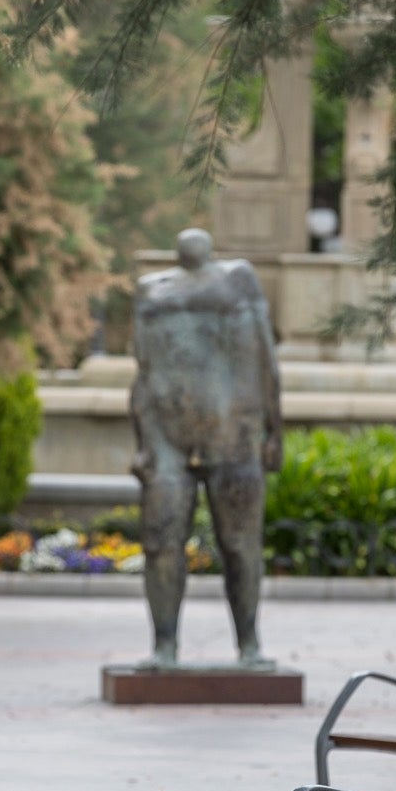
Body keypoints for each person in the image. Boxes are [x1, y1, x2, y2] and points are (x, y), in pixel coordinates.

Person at [130, 228, 283, 669]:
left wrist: (274, 431)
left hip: (232, 429)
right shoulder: (151, 289)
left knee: (240, 544)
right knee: (161, 542)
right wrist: (142, 442)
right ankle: (164, 646)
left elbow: (267, 361)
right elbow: (143, 372)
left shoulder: (239, 279)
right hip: (167, 433)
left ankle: (249, 644)